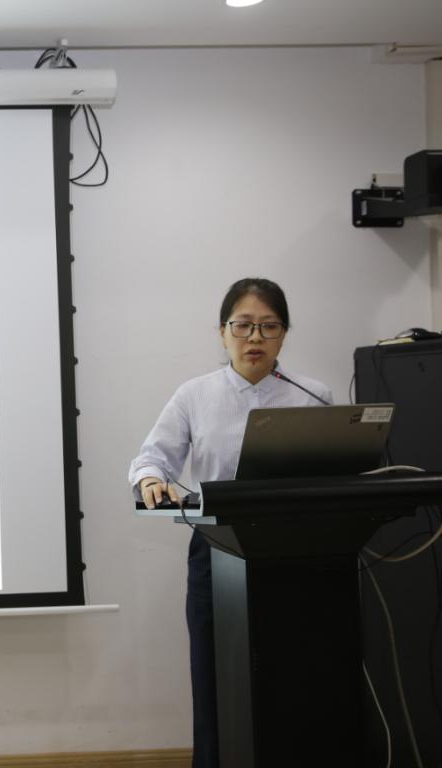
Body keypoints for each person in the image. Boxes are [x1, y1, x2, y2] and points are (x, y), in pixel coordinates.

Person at [127, 277, 332, 768]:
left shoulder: (313, 396)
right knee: (216, 677)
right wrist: (152, 479)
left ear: (284, 334)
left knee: (293, 679)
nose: (255, 337)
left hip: (295, 555)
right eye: (243, 325)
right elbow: (150, 459)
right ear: (222, 332)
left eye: (268, 326)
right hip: (217, 551)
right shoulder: (195, 395)